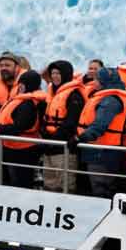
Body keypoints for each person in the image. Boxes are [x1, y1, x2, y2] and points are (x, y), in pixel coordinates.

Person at [72, 67, 126, 198]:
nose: (94, 82)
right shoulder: (108, 97)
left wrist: (79, 138)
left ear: (104, 81)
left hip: (102, 153)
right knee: (98, 187)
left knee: (102, 189)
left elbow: (99, 126)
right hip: (98, 151)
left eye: (97, 79)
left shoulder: (110, 101)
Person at [0, 69, 47, 188]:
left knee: (21, 182)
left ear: (30, 85)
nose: (20, 86)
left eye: (24, 84)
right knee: (13, 180)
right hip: (11, 147)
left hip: (23, 149)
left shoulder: (28, 104)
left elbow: (19, 126)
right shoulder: (23, 100)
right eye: (20, 83)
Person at [40, 60, 87, 192]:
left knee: (65, 186)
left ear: (66, 74)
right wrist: (44, 135)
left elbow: (71, 122)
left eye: (58, 73)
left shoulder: (74, 95)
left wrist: (53, 140)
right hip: (50, 147)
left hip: (64, 148)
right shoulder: (53, 93)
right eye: (53, 73)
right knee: (49, 184)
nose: (54, 76)